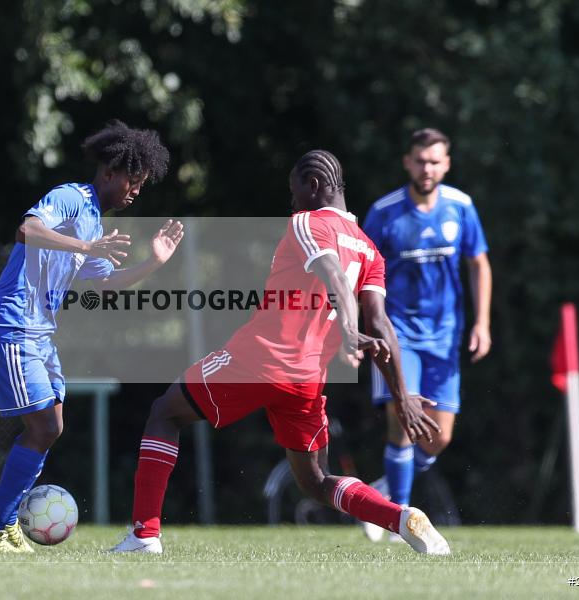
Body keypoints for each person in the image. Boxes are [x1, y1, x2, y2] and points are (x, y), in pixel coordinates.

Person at [110, 149, 451, 555]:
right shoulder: (369, 250)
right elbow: (381, 325)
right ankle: (399, 517)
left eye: (294, 192)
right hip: (306, 379)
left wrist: (346, 326)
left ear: (314, 186)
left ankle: (144, 535)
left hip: (258, 360)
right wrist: (402, 397)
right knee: (316, 481)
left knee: (165, 413)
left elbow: (334, 277)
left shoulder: (307, 222)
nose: (292, 203)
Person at [0, 120, 184, 552]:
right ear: (109, 173)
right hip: (10, 324)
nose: (136, 191)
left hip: (38, 334)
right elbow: (27, 230)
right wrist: (86, 248)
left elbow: (105, 284)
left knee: (53, 425)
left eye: (142, 184)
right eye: (133, 180)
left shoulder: (93, 223)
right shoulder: (72, 198)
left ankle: (4, 524)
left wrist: (153, 263)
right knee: (44, 424)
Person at [360, 128, 492, 543]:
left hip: (445, 337)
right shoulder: (385, 213)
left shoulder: (461, 207)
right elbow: (361, 274)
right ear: (407, 162)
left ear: (447, 164)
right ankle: (398, 518)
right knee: (402, 424)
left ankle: (381, 495)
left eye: (435, 161)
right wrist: (361, 331)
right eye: (420, 160)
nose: (427, 168)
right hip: (398, 338)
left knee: (440, 436)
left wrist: (482, 322)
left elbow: (479, 264)